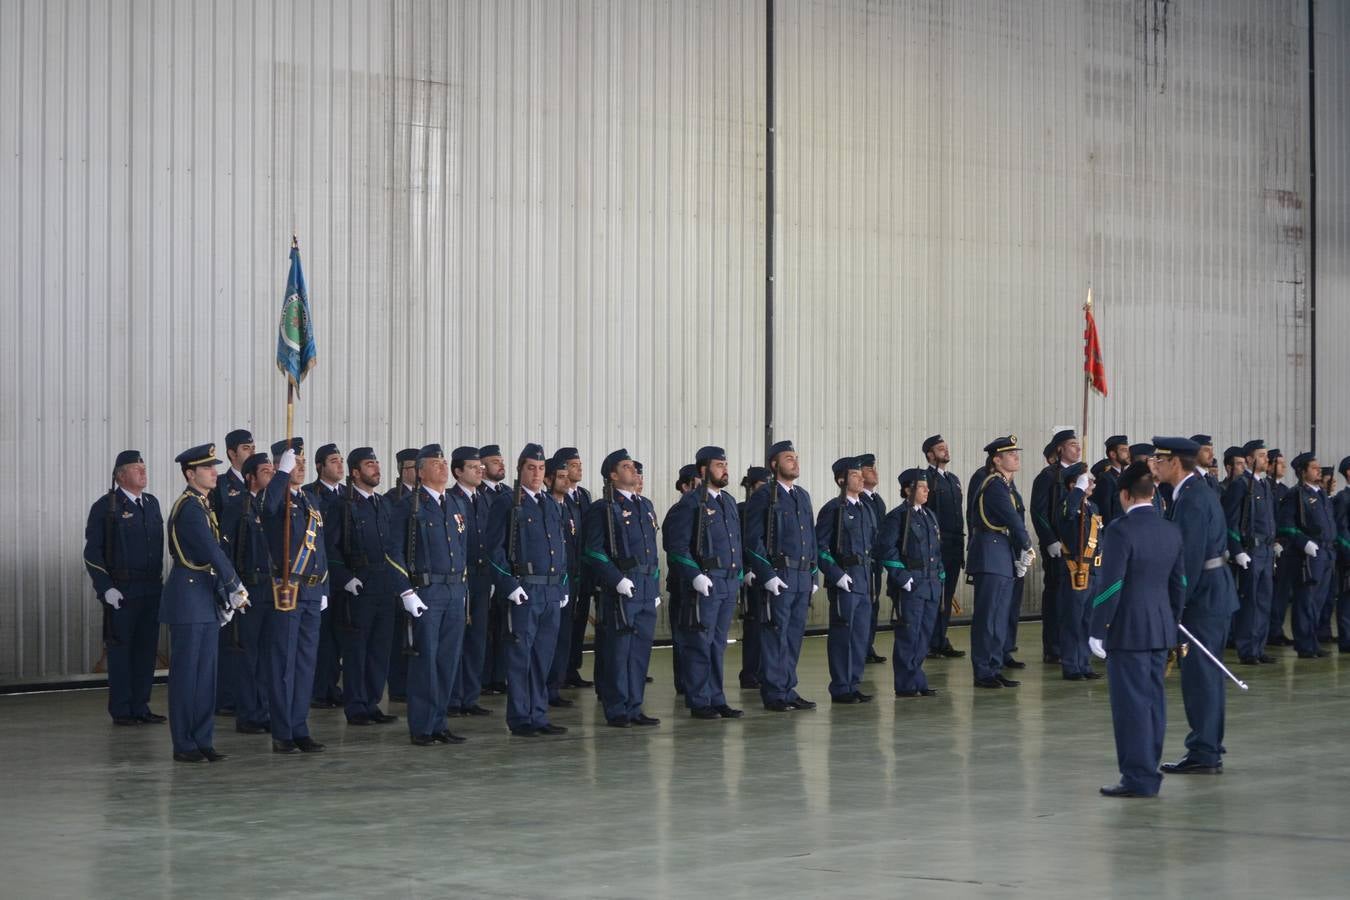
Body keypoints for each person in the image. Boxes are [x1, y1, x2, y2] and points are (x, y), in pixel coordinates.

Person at [1088, 460, 1186, 798]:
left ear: (1125, 495)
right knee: (1153, 704)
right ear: (1153, 492)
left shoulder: (1119, 530)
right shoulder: (1170, 529)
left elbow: (1111, 585)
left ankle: (1138, 778)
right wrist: (1170, 623)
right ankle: (1149, 770)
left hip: (1128, 631)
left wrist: (1098, 628)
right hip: (1160, 629)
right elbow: (1180, 584)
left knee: (1131, 707)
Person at [1152, 436, 1239, 775]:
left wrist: (1174, 608)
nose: (1156, 466)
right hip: (1213, 594)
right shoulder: (1193, 492)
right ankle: (1209, 743)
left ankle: (1204, 752)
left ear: (1175, 462)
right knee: (1208, 676)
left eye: (1160, 460)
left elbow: (1187, 561)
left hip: (1203, 599)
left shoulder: (1191, 499)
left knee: (1201, 678)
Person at [160, 443, 249, 762]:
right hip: (188, 597)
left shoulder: (203, 504)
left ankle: (202, 738)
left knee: (206, 675)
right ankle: (184, 743)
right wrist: (235, 586)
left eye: (214, 466)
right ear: (190, 473)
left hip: (203, 597)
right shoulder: (189, 508)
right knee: (187, 676)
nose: (215, 471)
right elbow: (212, 553)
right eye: (207, 467)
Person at [385, 444, 470, 746]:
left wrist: (463, 591)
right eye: (436, 463)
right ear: (420, 472)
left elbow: (462, 552)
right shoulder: (409, 505)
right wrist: (406, 591)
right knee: (426, 662)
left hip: (453, 590)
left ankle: (439, 722)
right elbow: (392, 551)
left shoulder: (456, 505)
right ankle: (422, 727)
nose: (443, 467)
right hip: (426, 591)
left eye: (445, 462)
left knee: (447, 661)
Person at [487, 444, 570, 737]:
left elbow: (560, 548)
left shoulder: (550, 504)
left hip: (549, 593)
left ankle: (539, 714)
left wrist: (564, 585)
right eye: (530, 468)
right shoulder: (508, 502)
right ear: (520, 470)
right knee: (520, 658)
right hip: (524, 591)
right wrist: (509, 585)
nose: (536, 474)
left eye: (541, 469)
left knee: (543, 658)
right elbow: (493, 550)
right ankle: (521, 718)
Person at [83, 450, 166, 726]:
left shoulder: (151, 504)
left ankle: (141, 706)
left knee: (146, 651)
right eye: (135, 468)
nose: (143, 472)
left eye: (143, 467)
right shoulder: (107, 506)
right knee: (121, 652)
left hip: (151, 589)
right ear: (120, 475)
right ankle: (122, 710)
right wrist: (105, 587)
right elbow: (92, 552)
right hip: (123, 590)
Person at [664, 446, 745, 720]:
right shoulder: (691, 503)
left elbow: (736, 543)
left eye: (725, 464)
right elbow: (675, 547)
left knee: (718, 643)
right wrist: (695, 575)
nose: (725, 469)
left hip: (727, 582)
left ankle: (716, 697)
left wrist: (740, 572)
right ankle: (699, 700)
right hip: (705, 582)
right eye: (719, 464)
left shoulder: (728, 502)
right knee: (699, 642)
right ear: (703, 470)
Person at [261, 438, 329, 754]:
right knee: (284, 662)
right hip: (286, 590)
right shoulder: (275, 497)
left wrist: (325, 588)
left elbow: (321, 549)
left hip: (312, 589)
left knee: (305, 663)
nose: (299, 468)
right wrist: (280, 475)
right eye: (294, 463)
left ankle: (300, 726)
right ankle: (283, 730)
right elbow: (267, 508)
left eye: (302, 463)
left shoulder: (310, 501)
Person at [585, 449, 662, 727]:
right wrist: (616, 579)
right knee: (619, 651)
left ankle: (634, 705)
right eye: (627, 467)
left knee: (640, 651)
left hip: (644, 586)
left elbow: (651, 551)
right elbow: (593, 551)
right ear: (613, 475)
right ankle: (617, 708)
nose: (634, 471)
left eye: (634, 467)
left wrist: (653, 585)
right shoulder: (603, 507)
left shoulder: (645, 505)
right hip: (621, 587)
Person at [325, 447, 400, 727]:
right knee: (357, 649)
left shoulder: (383, 504)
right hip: (359, 583)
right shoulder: (342, 505)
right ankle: (355, 706)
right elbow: (329, 547)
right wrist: (345, 577)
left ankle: (371, 702)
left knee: (380, 649)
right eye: (370, 464)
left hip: (384, 584)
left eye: (377, 463)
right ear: (355, 472)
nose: (376, 468)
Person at [744, 440, 819, 712]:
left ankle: (788, 687)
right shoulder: (764, 496)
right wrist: (767, 574)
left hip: (801, 574)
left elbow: (811, 538)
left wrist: (813, 574)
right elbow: (753, 540)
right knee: (776, 633)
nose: (795, 462)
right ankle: (774, 691)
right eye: (789, 458)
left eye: (796, 458)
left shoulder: (802, 495)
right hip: (780, 573)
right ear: (774, 464)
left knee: (794, 635)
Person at [968, 435, 1032, 689]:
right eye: (1010, 453)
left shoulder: (1005, 485)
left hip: (1002, 553)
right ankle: (983, 670)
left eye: (1016, 452)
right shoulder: (994, 484)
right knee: (988, 616)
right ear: (997, 459)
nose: (1016, 456)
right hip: (990, 551)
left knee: (999, 616)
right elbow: (1011, 518)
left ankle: (993, 667)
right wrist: (1027, 545)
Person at [877, 468, 944, 697]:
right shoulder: (898, 516)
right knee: (909, 635)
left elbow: (936, 550)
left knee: (924, 635)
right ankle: (905, 684)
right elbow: (886, 550)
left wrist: (940, 575)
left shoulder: (929, 516)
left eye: (927, 487)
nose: (927, 491)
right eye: (922, 487)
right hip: (911, 584)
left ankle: (917, 679)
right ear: (908, 490)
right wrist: (902, 578)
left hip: (931, 583)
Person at [221, 452, 275, 734]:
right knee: (247, 654)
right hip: (248, 590)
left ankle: (263, 709)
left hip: (272, 590)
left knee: (267, 656)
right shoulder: (237, 507)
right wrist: (232, 589)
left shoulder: (273, 508)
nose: (271, 475)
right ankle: (248, 713)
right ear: (250, 477)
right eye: (265, 471)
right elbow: (226, 552)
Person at [815, 457, 877, 703]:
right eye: (854, 475)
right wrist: (836, 575)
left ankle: (853, 682)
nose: (861, 478)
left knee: (860, 635)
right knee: (843, 635)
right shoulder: (834, 509)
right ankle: (841, 686)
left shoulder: (865, 508)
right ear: (842, 480)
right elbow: (820, 548)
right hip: (845, 580)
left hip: (863, 579)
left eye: (861, 474)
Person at [446, 446, 494, 718]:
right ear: (458, 471)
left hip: (483, 577)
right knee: (456, 640)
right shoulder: (451, 499)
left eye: (480, 467)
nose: (480, 471)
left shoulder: (486, 499)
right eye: (474, 467)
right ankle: (453, 697)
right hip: (459, 577)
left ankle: (470, 697)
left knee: (477, 638)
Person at [1223, 440, 1278, 665]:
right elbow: (1231, 521)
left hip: (1266, 550)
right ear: (1249, 459)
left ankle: (1258, 647)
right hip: (1251, 550)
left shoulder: (1263, 484)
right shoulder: (1241, 484)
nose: (1266, 460)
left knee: (1264, 600)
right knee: (1251, 601)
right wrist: (1237, 550)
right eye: (1262, 456)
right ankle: (1247, 649)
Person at [1278, 452, 1338, 660]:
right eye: (1313, 468)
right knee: (1306, 601)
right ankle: (1304, 645)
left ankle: (1312, 642)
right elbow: (1285, 525)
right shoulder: (1296, 495)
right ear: (1302, 472)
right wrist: (1304, 543)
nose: (1318, 470)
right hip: (1308, 555)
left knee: (1319, 601)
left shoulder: (1321, 494)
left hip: (1326, 552)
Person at [1056, 462, 1104, 681]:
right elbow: (1066, 515)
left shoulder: (1091, 507)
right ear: (1074, 484)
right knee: (1073, 620)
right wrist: (1077, 491)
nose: (1092, 482)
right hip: (1075, 570)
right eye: (1087, 480)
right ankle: (1071, 665)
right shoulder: (1067, 504)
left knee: (1088, 620)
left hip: (1093, 570)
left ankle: (1083, 663)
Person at [922, 435, 966, 660]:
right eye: (941, 449)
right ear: (930, 454)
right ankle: (930, 641)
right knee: (935, 596)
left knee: (947, 596)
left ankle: (941, 639)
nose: (945, 452)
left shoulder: (953, 479)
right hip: (937, 546)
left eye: (946, 448)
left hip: (954, 544)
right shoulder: (926, 479)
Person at [736, 465, 769, 688]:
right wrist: (746, 569)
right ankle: (749, 672)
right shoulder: (741, 510)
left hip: (771, 573)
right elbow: (738, 544)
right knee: (754, 625)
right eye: (761, 485)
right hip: (752, 574)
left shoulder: (775, 507)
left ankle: (766, 671)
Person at [857, 453, 887, 664]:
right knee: (864, 604)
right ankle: (862, 646)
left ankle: (868, 645)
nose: (874, 472)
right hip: (863, 561)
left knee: (874, 602)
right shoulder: (858, 499)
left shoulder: (877, 500)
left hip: (876, 561)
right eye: (869, 469)